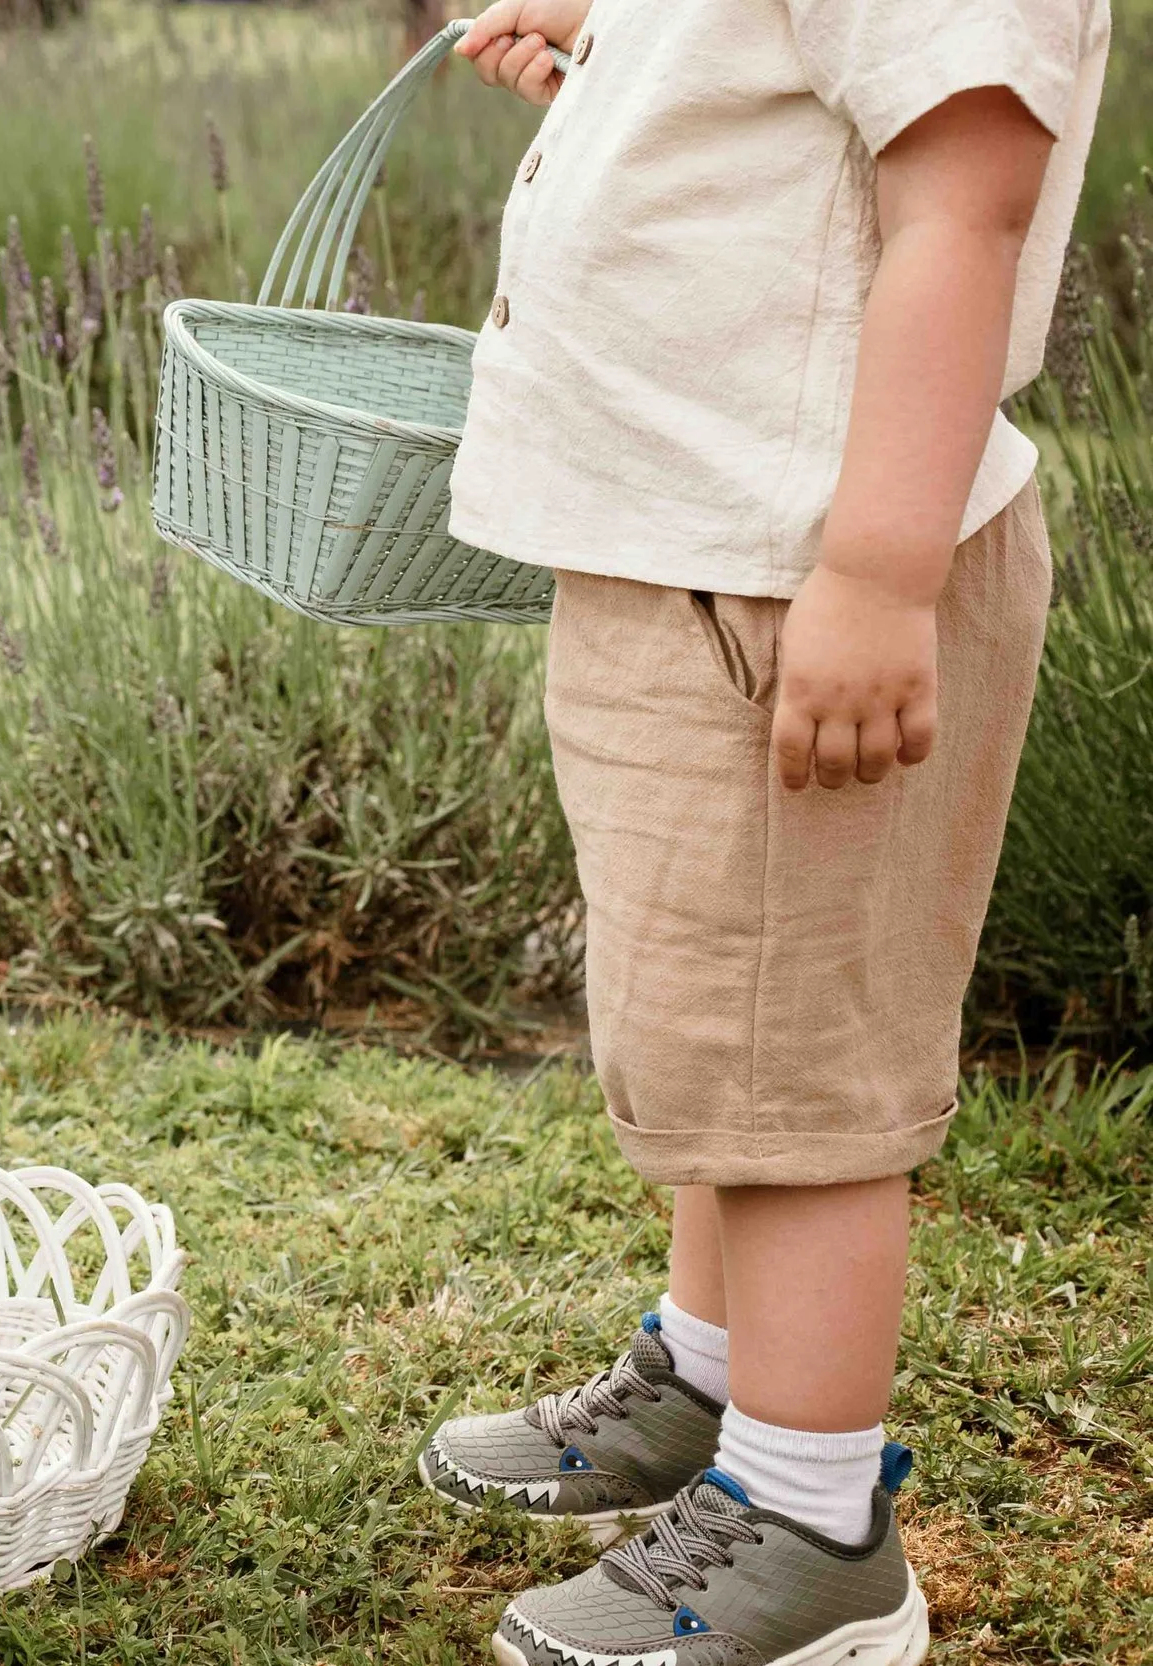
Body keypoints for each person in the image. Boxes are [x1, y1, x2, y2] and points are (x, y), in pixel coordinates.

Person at [417, 3, 1109, 1662]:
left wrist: (879, 573)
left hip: (797, 579)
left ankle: (814, 1522)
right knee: (727, 1024)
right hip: (696, 554)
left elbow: (968, 195)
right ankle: (713, 1384)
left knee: (797, 1069)